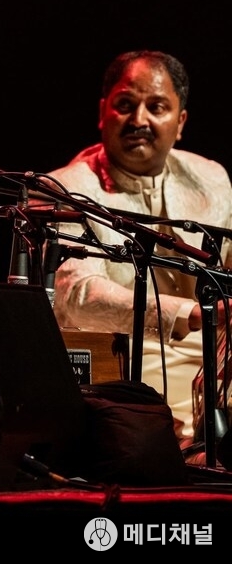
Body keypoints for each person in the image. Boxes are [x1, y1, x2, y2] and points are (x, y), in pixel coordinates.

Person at [40, 49, 232, 444]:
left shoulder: (211, 179)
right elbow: (73, 293)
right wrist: (191, 314)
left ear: (180, 122)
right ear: (103, 112)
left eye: (156, 107)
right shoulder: (65, 188)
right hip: (125, 381)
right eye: (125, 105)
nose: (139, 120)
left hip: (216, 375)